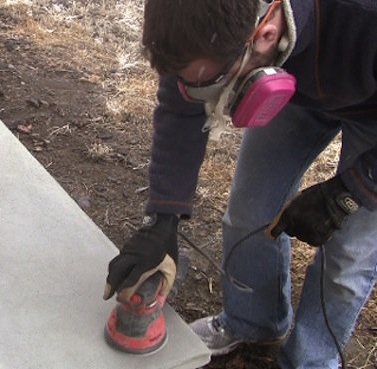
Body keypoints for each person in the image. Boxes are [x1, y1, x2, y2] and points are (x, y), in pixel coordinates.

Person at [102, 0, 377, 368]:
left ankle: (309, 360)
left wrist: (350, 191)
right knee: (251, 209)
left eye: (214, 84)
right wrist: (163, 217)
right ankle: (252, 323)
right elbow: (182, 100)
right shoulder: (201, 26)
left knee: (347, 259)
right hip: (294, 72)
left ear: (262, 34)